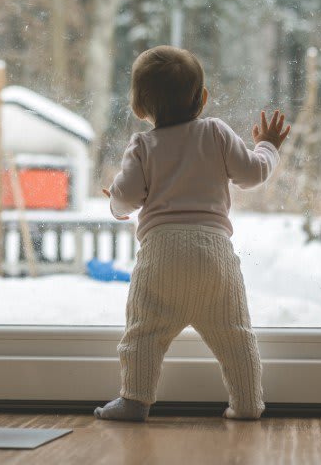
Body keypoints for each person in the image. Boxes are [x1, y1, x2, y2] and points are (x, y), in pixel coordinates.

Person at [95, 45, 290, 422]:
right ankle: (248, 403)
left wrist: (115, 205)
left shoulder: (142, 146)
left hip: (160, 255)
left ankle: (135, 400)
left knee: (143, 334)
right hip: (213, 254)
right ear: (202, 99)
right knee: (236, 335)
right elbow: (252, 173)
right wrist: (267, 146)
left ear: (138, 107)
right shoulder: (216, 132)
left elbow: (126, 197)